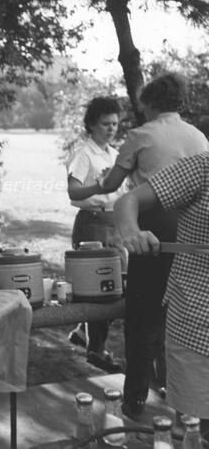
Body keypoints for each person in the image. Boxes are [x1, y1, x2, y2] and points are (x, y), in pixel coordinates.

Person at [98, 73, 208, 418]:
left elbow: (114, 185)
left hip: (156, 226)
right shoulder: (198, 136)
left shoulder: (141, 134)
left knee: (142, 318)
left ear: (149, 103)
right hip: (188, 226)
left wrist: (98, 182)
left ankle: (135, 399)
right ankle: (171, 390)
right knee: (172, 314)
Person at [114, 151, 209, 441]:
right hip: (197, 322)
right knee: (196, 432)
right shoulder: (202, 167)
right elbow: (127, 201)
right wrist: (132, 230)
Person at [65, 97, 124, 373]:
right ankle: (96, 350)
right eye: (105, 124)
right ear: (91, 125)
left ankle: (82, 331)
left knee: (117, 286)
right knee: (102, 289)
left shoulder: (115, 155)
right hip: (92, 223)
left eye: (114, 123)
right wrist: (98, 187)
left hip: (114, 224)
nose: (111, 128)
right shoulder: (84, 154)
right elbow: (73, 192)